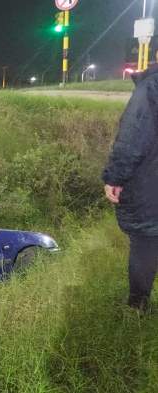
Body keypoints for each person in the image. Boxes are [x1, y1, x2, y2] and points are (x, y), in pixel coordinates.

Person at [103, 58, 158, 312]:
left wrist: (115, 177)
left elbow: (133, 138)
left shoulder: (150, 87)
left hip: (150, 185)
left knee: (146, 242)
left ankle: (137, 306)